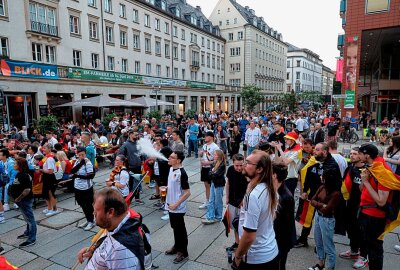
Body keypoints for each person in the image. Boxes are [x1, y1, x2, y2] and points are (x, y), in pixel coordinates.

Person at [77, 188, 144, 269]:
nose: (93, 213)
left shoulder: (121, 250)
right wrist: (94, 250)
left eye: (96, 211)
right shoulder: (117, 224)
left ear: (110, 212)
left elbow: (116, 254)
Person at [233, 150, 279, 270]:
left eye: (248, 163)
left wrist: (237, 256)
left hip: (256, 258)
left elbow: (249, 236)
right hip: (271, 251)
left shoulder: (254, 196)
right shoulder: (270, 188)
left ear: (259, 169)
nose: (243, 164)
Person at [357, 144, 390, 270]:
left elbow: (381, 201)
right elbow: (362, 190)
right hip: (366, 212)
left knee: (375, 249)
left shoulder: (382, 171)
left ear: (367, 155)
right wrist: (364, 180)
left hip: (375, 216)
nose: (358, 156)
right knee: (368, 246)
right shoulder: (372, 167)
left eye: (360, 153)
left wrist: (365, 182)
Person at [308, 169, 341, 270]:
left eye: (323, 176)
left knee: (328, 245)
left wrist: (317, 204)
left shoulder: (336, 193)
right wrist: (322, 205)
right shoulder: (322, 187)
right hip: (318, 216)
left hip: (327, 220)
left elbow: (327, 210)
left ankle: (330, 267)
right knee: (318, 242)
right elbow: (312, 200)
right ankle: (320, 263)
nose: (321, 177)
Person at [340, 147, 365, 268]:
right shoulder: (350, 168)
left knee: (362, 231)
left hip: (363, 206)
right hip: (350, 204)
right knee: (351, 228)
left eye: (355, 154)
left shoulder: (367, 170)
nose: (352, 155)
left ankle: (364, 257)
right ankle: (354, 251)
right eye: (351, 154)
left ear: (361, 155)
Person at [164, 151, 191, 264]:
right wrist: (167, 188)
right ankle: (176, 246)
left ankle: (183, 252)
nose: (169, 158)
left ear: (178, 160)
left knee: (180, 229)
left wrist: (176, 204)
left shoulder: (182, 173)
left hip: (177, 207)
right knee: (174, 227)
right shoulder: (171, 169)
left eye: (172, 157)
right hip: (170, 204)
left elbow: (187, 192)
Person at [8, 157, 37, 247]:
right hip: (22, 201)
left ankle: (32, 239)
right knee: (27, 218)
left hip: (25, 200)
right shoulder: (20, 174)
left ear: (20, 165)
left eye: (15, 164)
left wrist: (18, 198)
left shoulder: (23, 175)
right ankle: (28, 232)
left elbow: (27, 190)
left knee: (30, 219)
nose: (14, 165)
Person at [272, 162, 295, 270]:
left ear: (274, 176)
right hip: (274, 238)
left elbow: (286, 224)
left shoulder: (286, 197)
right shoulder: (274, 190)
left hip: (281, 240)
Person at [225, 154, 248, 252]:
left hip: (243, 203)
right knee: (234, 224)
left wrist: (244, 200)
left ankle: (244, 245)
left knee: (244, 225)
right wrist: (227, 197)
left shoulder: (247, 172)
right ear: (233, 164)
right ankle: (237, 242)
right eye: (236, 165)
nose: (239, 168)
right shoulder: (230, 169)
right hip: (232, 201)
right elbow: (228, 183)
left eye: (241, 165)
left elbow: (250, 188)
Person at [71, 146, 95, 231]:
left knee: (88, 205)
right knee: (82, 205)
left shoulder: (88, 163)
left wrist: (78, 176)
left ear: (85, 154)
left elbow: (91, 176)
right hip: (77, 187)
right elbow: (72, 171)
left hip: (86, 188)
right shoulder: (77, 161)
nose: (81, 156)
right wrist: (80, 163)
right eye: (80, 155)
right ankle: (88, 219)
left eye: (83, 155)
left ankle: (91, 221)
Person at [271, 131, 301, 196]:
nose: (285, 140)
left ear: (292, 140)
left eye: (287, 139)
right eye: (285, 139)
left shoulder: (298, 151)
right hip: (285, 177)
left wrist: (280, 149)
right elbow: (277, 161)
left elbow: (286, 162)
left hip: (291, 178)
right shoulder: (288, 149)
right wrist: (276, 149)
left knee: (288, 198)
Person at [118, 130, 144, 204]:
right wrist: (125, 161)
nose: (137, 136)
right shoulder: (125, 145)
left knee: (138, 182)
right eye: (135, 135)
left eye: (137, 135)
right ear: (130, 134)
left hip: (138, 166)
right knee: (131, 183)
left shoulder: (138, 143)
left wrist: (142, 159)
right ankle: (129, 199)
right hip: (130, 167)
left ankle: (137, 198)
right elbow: (120, 155)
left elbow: (141, 152)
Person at [202, 149, 226, 224]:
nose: (214, 156)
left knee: (218, 201)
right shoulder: (214, 163)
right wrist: (212, 174)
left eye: (215, 154)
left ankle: (218, 216)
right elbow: (210, 173)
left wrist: (212, 174)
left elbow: (216, 175)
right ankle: (210, 216)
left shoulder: (222, 164)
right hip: (213, 183)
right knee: (211, 200)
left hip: (218, 184)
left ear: (219, 156)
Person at [199, 131, 220, 209]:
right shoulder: (204, 145)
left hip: (210, 169)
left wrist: (208, 163)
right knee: (206, 185)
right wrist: (201, 154)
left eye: (206, 136)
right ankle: (207, 201)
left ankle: (212, 202)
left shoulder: (215, 147)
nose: (205, 137)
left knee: (211, 186)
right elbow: (202, 155)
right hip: (204, 168)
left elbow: (218, 160)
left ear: (211, 137)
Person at [40, 144, 59, 216]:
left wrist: (41, 170)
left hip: (50, 177)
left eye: (45, 148)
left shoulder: (50, 159)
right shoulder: (46, 157)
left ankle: (55, 209)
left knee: (51, 194)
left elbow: (50, 171)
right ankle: (49, 208)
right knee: (46, 194)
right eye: (43, 148)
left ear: (49, 149)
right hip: (46, 177)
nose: (43, 149)